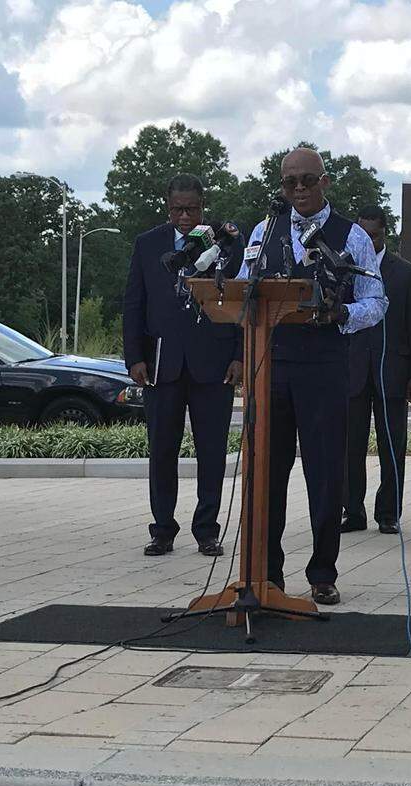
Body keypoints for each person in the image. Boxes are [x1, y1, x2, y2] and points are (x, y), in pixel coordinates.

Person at [237, 148, 387, 605]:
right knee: (269, 472)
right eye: (289, 183)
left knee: (325, 473)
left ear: (325, 182)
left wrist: (342, 312)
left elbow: (376, 302)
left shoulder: (353, 235)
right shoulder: (265, 230)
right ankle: (269, 573)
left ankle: (323, 571)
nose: (298, 190)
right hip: (273, 366)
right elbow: (244, 288)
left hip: (325, 366)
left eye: (306, 181)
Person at [123, 173, 244, 558]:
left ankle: (207, 530)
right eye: (178, 210)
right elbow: (133, 304)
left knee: (212, 452)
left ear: (203, 206)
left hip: (214, 364)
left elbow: (243, 300)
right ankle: (162, 530)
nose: (185, 217)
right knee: (162, 450)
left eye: (192, 209)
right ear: (167, 207)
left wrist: (240, 355)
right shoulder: (147, 244)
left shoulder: (224, 242)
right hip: (162, 364)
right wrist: (135, 357)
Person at [343, 204, 411, 535]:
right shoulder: (345, 270)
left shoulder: (404, 273)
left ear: (384, 234)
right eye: (361, 235)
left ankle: (388, 512)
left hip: (392, 371)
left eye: (373, 236)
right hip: (352, 371)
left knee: (392, 444)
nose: (367, 241)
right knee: (350, 445)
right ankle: (353, 511)